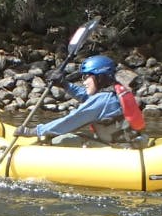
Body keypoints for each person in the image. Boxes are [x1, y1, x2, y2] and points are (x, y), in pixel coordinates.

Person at [17, 55, 147, 147]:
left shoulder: (102, 101)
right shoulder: (110, 94)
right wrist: (64, 84)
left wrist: (34, 131)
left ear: (100, 77)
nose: (84, 81)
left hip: (120, 149)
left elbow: (70, 121)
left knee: (60, 139)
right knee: (74, 136)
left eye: (87, 77)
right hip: (130, 143)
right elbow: (86, 97)